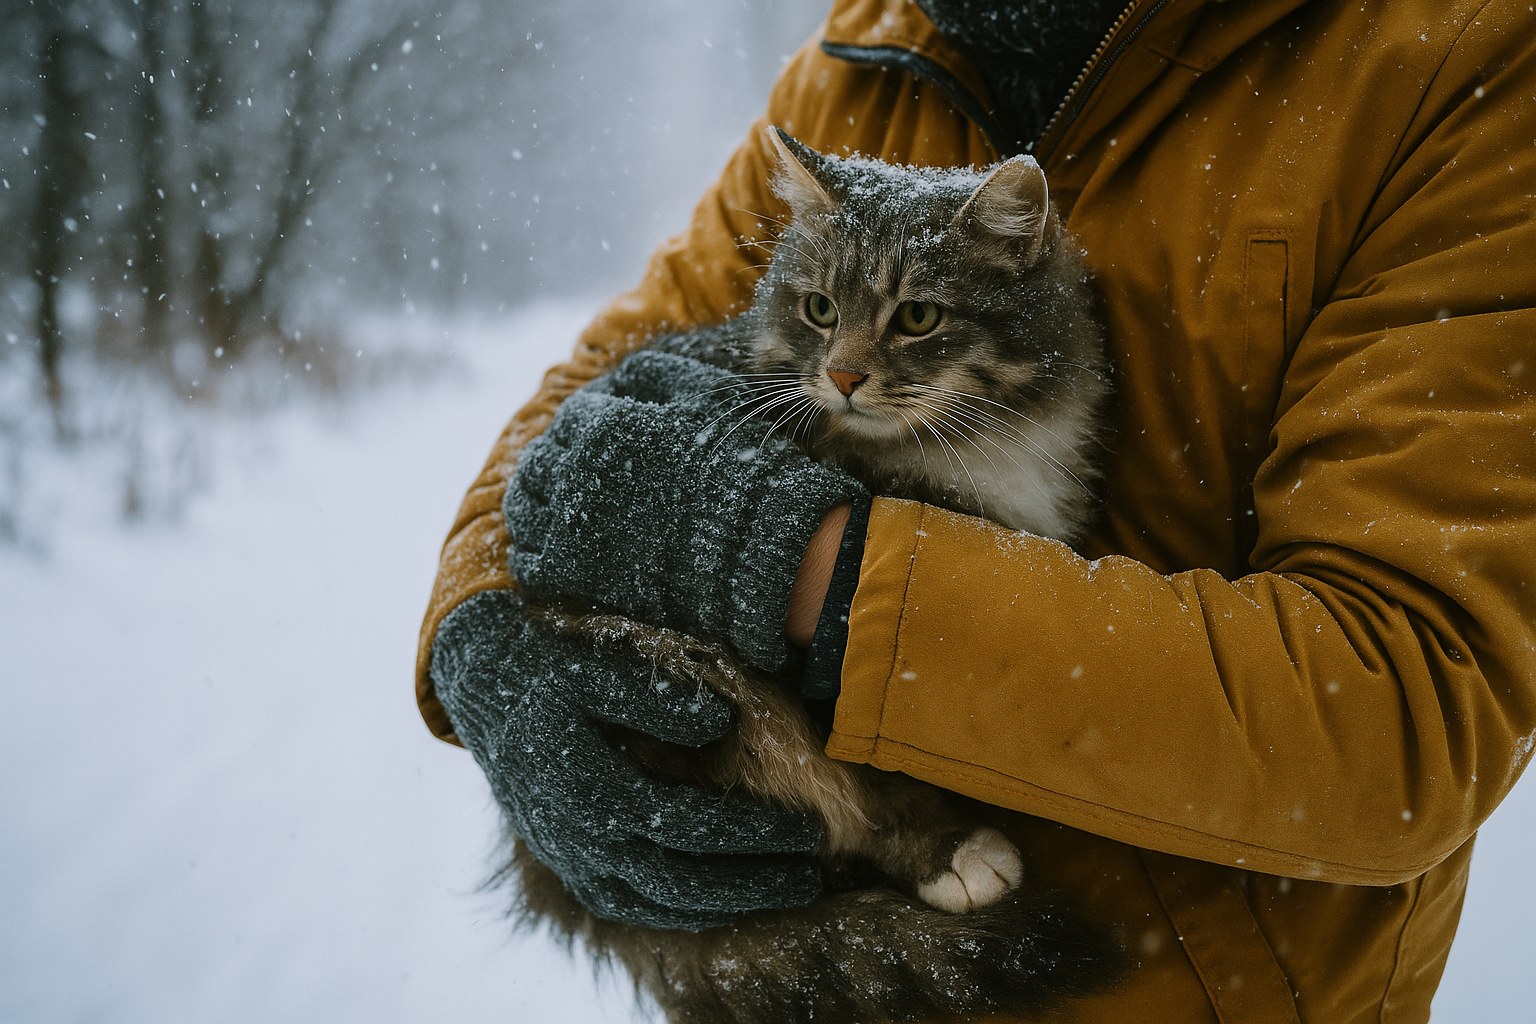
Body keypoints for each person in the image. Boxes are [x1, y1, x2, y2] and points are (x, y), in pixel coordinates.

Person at [417, 1, 1536, 1020]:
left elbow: (1409, 706)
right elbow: (592, 392)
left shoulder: (1456, 59)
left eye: (904, 326)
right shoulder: (856, 57)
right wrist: (480, 616)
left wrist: (825, 574)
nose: (848, 369)